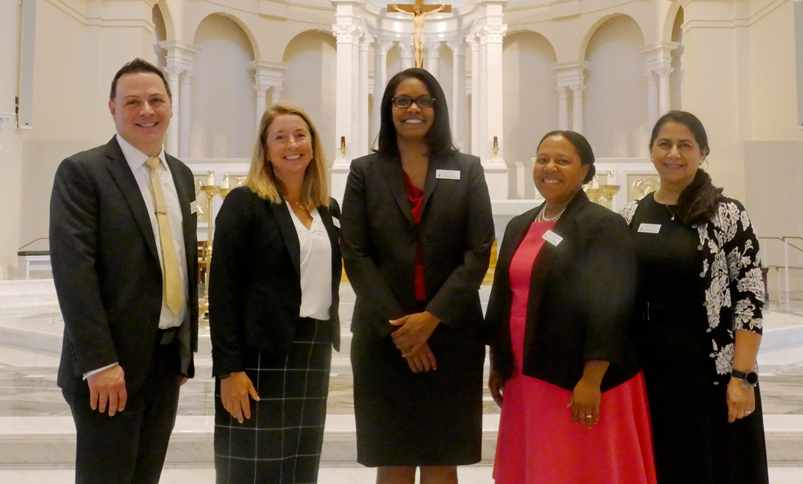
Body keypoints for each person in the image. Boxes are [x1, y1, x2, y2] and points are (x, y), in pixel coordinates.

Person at [341, 67, 494, 484]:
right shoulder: (365, 171)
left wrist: (430, 320)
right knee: (393, 454)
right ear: (388, 109)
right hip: (384, 337)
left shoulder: (467, 168)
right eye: (402, 100)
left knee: (443, 454)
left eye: (424, 100)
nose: (414, 109)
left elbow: (479, 251)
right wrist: (403, 331)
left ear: (437, 108)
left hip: (451, 335)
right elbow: (354, 254)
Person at [49, 58, 198, 484]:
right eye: (132, 101)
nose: (146, 110)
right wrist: (99, 363)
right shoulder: (84, 172)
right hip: (109, 367)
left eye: (155, 100)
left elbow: (184, 266)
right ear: (112, 109)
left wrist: (184, 352)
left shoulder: (182, 176)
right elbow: (74, 273)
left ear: (171, 106)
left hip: (165, 361)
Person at [486, 131, 657, 484]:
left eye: (562, 161)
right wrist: (499, 362)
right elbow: (503, 298)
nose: (550, 167)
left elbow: (612, 305)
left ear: (585, 171)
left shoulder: (601, 225)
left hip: (576, 375)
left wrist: (591, 379)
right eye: (543, 159)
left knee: (577, 464)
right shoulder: (520, 225)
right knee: (540, 462)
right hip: (526, 371)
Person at [619, 111, 768, 484]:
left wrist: (742, 377)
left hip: (710, 370)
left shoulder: (727, 214)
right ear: (651, 151)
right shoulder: (631, 215)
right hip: (649, 367)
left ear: (703, 153)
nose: (674, 153)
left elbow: (749, 298)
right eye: (664, 144)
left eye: (685, 145)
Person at [208, 103, 341, 484]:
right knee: (252, 467)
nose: (292, 144)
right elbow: (223, 290)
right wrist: (230, 369)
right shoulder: (245, 204)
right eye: (279, 137)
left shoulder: (327, 209)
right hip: (259, 356)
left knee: (299, 466)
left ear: (312, 145)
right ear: (265, 149)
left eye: (300, 135)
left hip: (312, 352)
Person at [391, 3, 445, 68]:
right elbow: (405, 12)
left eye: (417, 9)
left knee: (421, 49)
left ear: (419, 9)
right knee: (417, 48)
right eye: (415, 10)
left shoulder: (424, 15)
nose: (417, 11)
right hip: (416, 33)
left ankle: (420, 63)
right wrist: (397, 9)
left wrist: (440, 8)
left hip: (422, 33)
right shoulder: (413, 15)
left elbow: (432, 12)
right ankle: (418, 65)